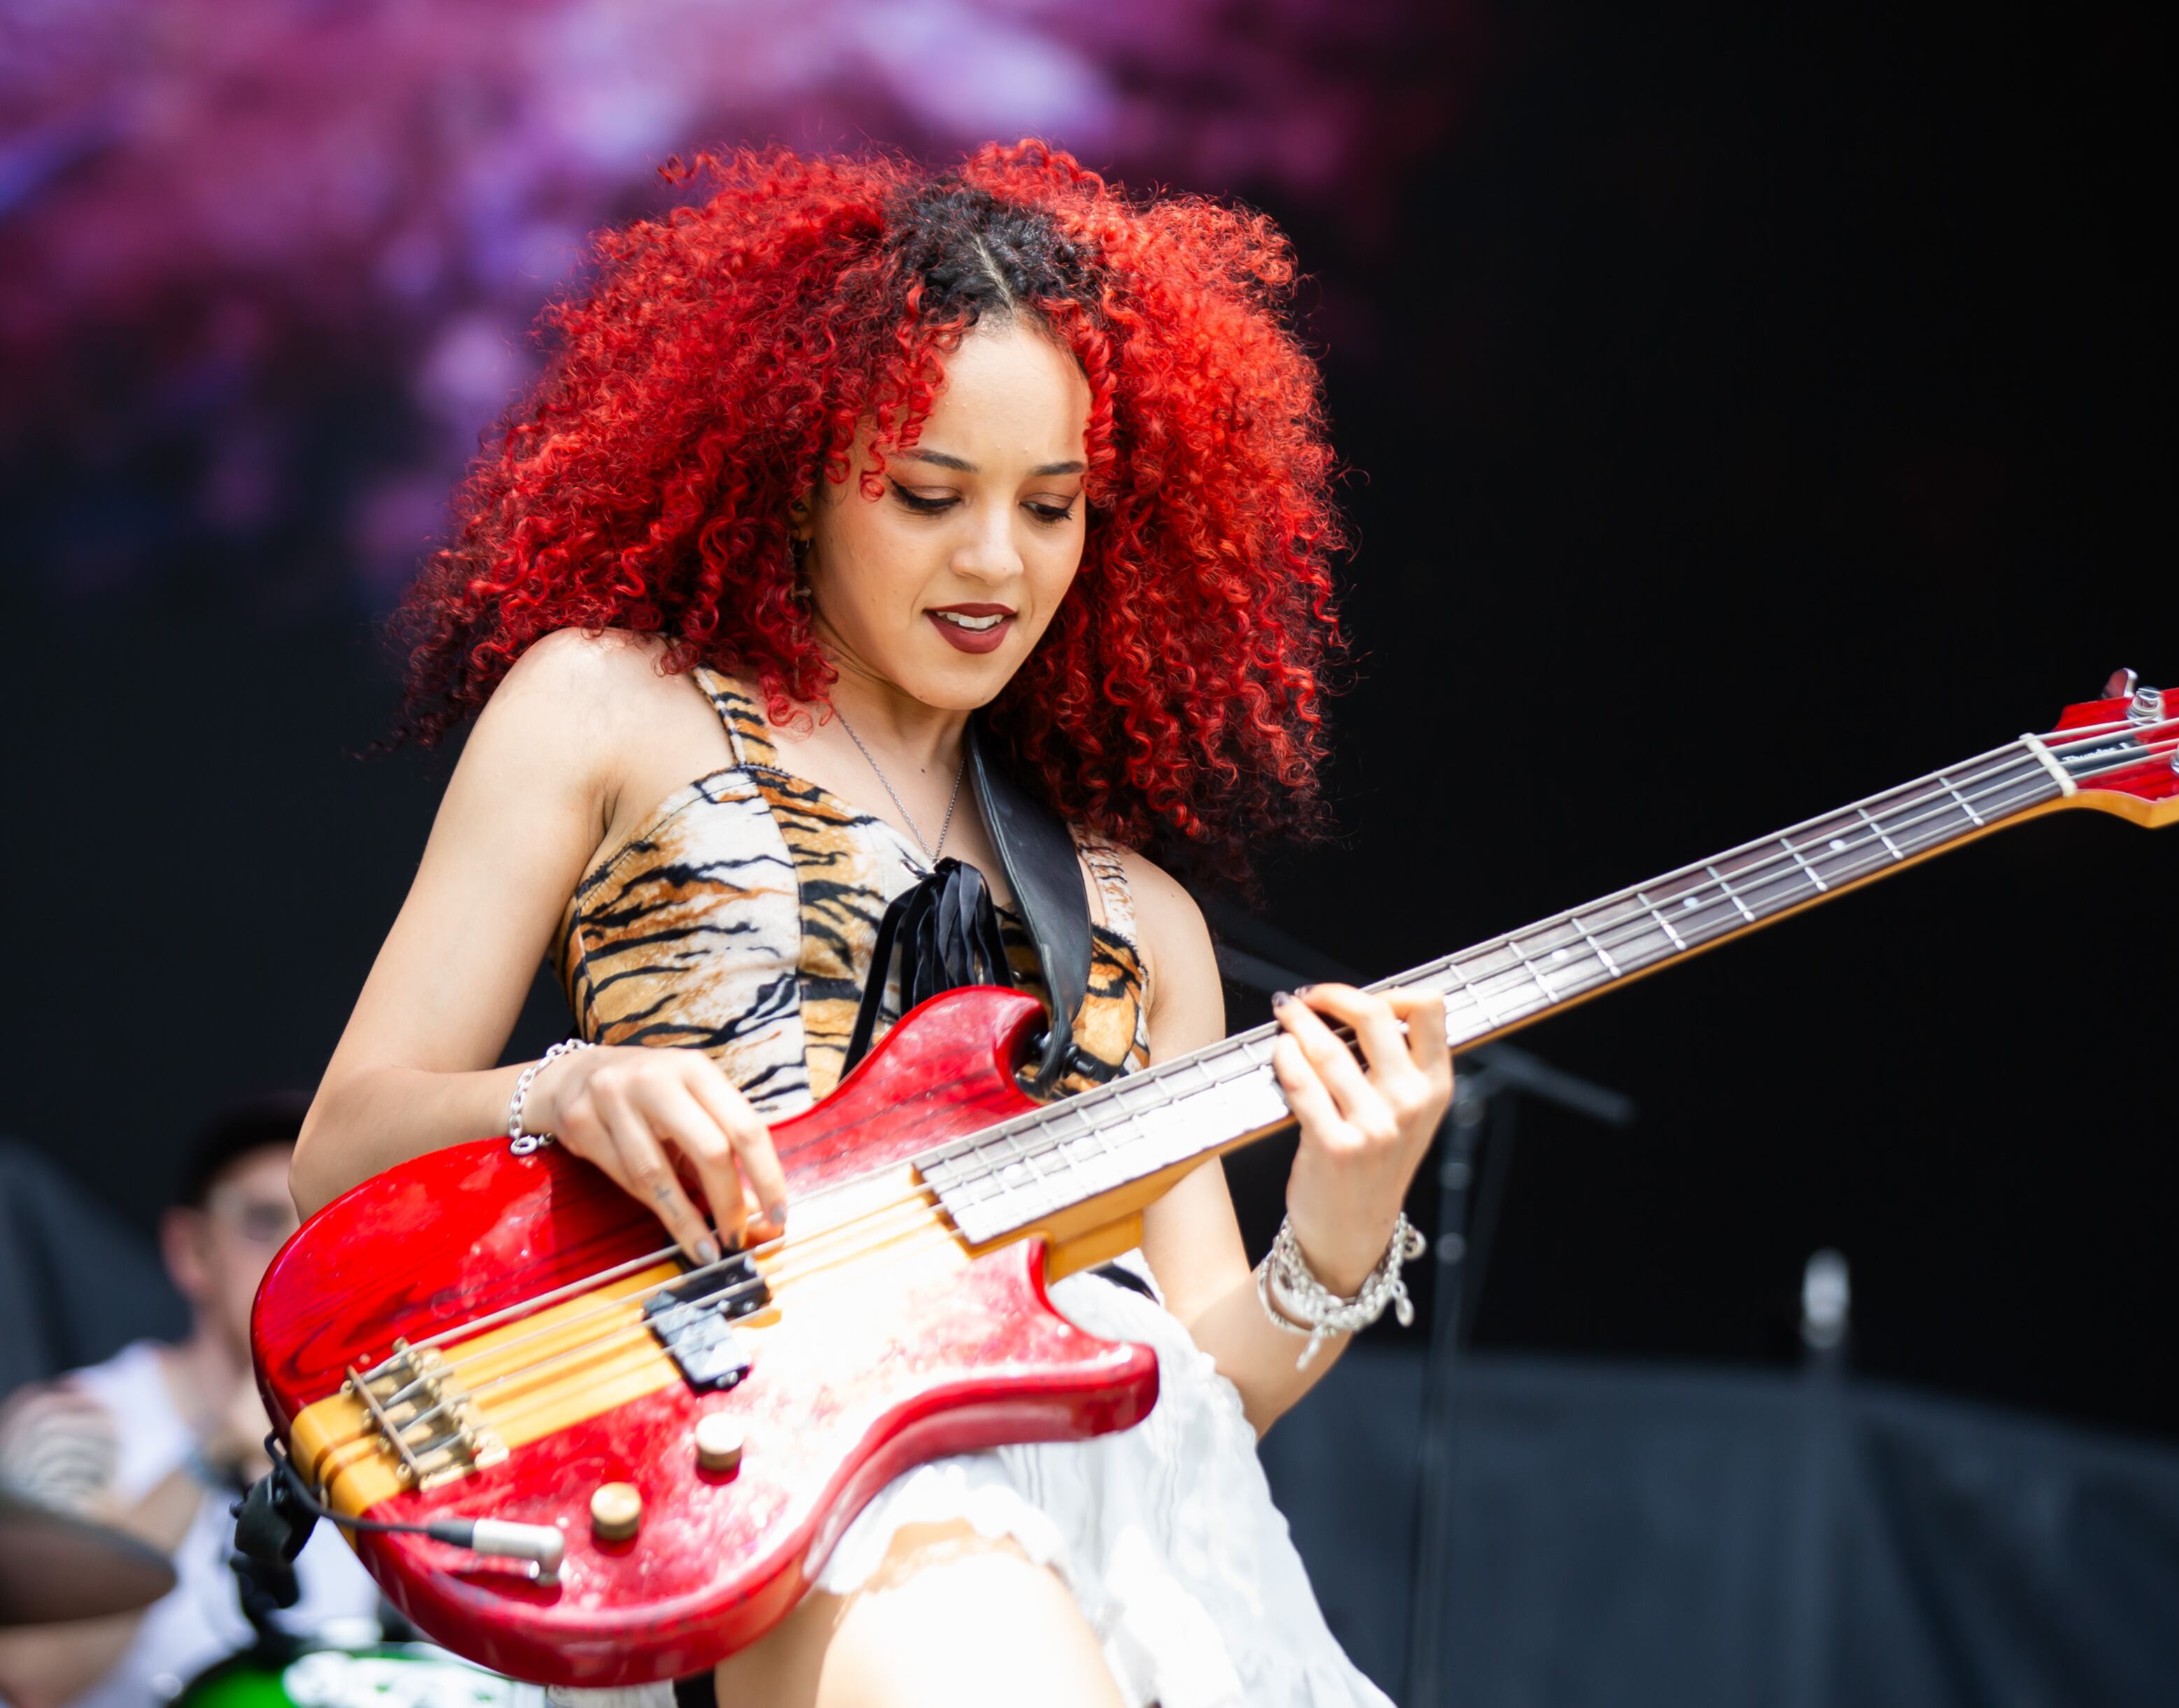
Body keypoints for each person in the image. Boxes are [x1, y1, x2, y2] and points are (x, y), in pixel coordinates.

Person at [291, 142, 1453, 1708]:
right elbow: (339, 1151)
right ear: (801, 473)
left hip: (1148, 1570)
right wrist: (565, 1090)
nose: (996, 560)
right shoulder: (608, 709)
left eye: (1053, 506)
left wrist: (1343, 1223)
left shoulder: (1143, 924)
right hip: (781, 1508)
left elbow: (1202, 1389)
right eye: (927, 494)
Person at [0, 1101, 383, 1708]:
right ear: (191, 1250)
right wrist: (211, 1453)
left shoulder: (378, 1435)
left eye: (323, 1225)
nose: (297, 1251)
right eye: (263, 1220)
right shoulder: (79, 1419)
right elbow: (30, 1673)